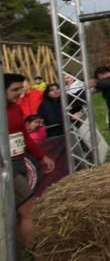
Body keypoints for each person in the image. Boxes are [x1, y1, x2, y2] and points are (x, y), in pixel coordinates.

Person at [6, 73, 56, 251]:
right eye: (15, 90)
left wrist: (42, 156)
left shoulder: (15, 108)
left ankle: (22, 250)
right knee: (29, 207)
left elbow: (24, 136)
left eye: (21, 88)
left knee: (21, 213)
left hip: (19, 162)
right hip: (6, 167)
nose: (20, 93)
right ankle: (34, 249)